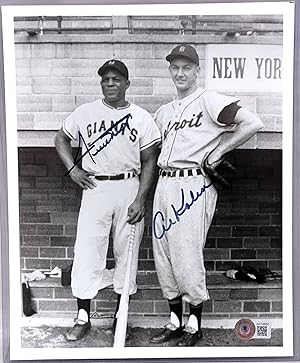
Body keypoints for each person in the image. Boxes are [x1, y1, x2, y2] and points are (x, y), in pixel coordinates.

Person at [150, 44, 263, 347]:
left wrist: (219, 151)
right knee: (164, 254)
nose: (180, 72)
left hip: (193, 182)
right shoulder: (164, 111)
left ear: (198, 71)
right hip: (165, 182)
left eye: (187, 67)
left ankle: (194, 325)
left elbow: (253, 122)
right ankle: (174, 321)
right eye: (175, 67)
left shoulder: (209, 100)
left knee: (186, 255)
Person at [54, 59, 160, 341]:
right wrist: (72, 169)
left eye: (116, 79)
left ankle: (120, 317)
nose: (110, 83)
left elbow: (150, 161)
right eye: (106, 79)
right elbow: (61, 139)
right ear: (101, 83)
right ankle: (82, 316)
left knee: (127, 254)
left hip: (128, 186)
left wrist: (141, 198)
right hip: (95, 187)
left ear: (127, 84)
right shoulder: (86, 112)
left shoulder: (141, 117)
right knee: (87, 251)